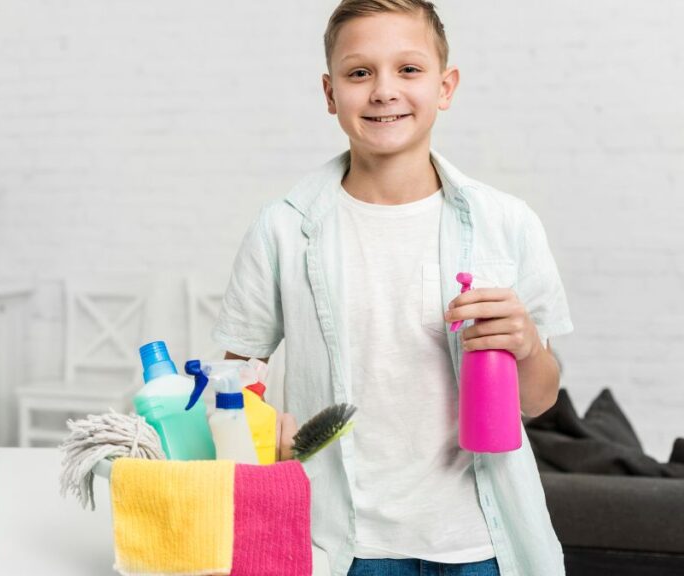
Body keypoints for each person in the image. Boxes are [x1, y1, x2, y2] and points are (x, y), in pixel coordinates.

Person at [212, 1, 573, 574]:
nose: (384, 91)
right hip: (340, 546)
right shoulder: (282, 228)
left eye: (408, 69)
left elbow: (540, 400)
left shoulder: (507, 223)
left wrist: (526, 344)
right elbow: (234, 385)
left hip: (481, 542)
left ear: (445, 86)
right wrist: (262, 428)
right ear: (330, 94)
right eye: (360, 73)